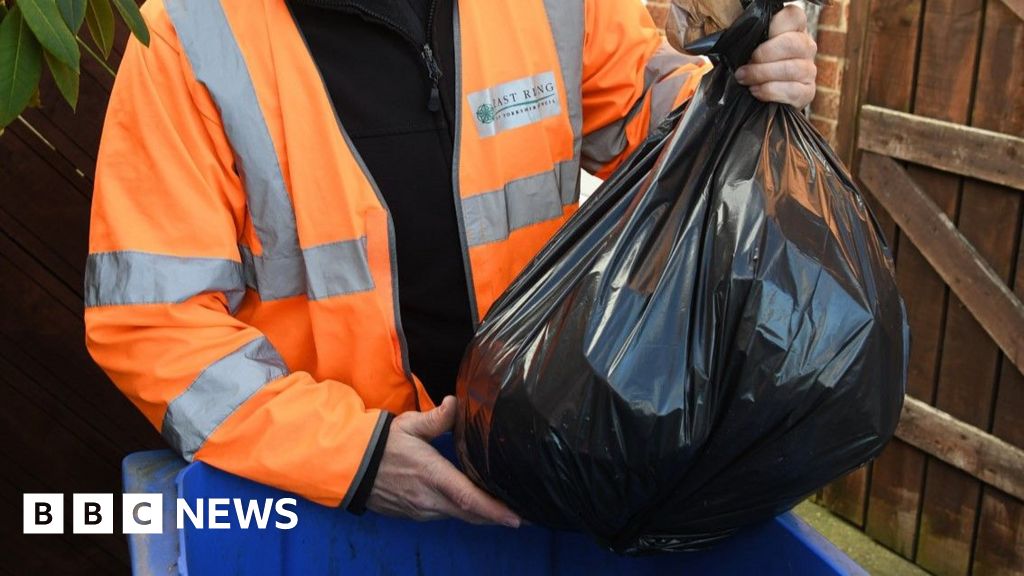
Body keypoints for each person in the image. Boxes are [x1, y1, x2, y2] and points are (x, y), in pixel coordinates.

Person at [86, 0, 817, 528]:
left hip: (542, 474)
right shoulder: (190, 34)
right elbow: (152, 325)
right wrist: (353, 457)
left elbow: (661, 116)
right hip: (328, 507)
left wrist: (744, 84)